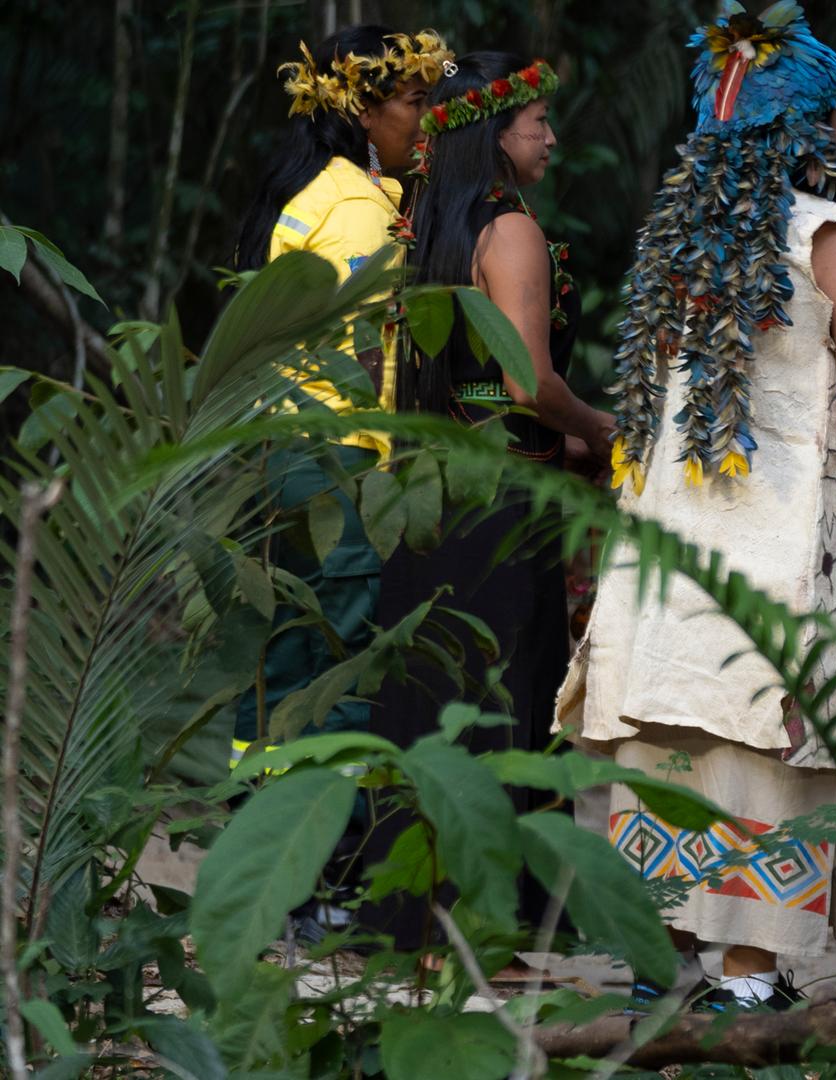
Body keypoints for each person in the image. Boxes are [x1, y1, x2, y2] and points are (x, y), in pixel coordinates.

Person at [558, 0, 836, 1011]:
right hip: (786, 537)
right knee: (771, 741)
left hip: (671, 539)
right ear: (814, 129)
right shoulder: (831, 234)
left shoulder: (676, 248)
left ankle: (659, 959)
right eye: (835, 119)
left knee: (670, 732)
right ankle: (751, 977)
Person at [366, 51, 612, 955]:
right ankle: (500, 920)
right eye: (536, 120)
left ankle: (417, 911)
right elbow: (526, 381)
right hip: (503, 492)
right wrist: (601, 428)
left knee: (429, 683)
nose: (549, 134)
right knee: (512, 686)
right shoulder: (506, 229)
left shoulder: (426, 219)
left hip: (429, 486)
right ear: (495, 132)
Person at [229, 25, 450, 944]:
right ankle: (321, 880)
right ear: (364, 108)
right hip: (336, 455)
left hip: (275, 445)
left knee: (279, 663)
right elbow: (367, 351)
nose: (427, 122)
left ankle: (261, 865)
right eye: (413, 104)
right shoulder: (362, 209)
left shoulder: (301, 193)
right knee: (341, 664)